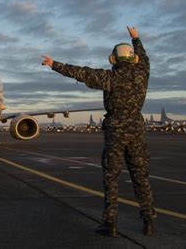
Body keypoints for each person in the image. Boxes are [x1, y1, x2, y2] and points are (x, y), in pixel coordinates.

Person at [41, 26, 156, 237]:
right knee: (140, 175)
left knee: (111, 177)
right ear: (134, 60)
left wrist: (53, 64)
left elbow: (80, 72)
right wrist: (136, 38)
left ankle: (109, 223)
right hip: (136, 129)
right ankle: (148, 221)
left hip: (115, 130)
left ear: (113, 59)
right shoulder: (143, 73)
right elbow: (144, 57)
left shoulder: (108, 77)